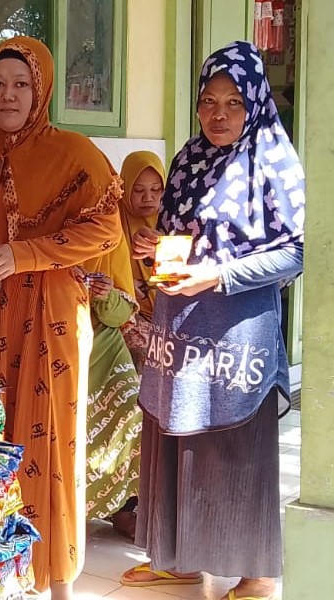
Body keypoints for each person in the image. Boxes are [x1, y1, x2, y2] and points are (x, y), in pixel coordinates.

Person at [119, 41, 304, 600]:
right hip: (180, 330)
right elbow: (185, 237)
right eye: (208, 101)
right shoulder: (188, 159)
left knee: (233, 449)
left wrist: (219, 275)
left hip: (236, 335)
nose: (217, 114)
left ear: (255, 104)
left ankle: (257, 575)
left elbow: (296, 252)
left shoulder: (273, 162)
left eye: (233, 103)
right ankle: (179, 559)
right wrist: (156, 246)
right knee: (177, 441)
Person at [0, 36, 123, 599]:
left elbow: (106, 229)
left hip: (52, 314)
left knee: (51, 441)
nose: (8, 96)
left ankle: (56, 580)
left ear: (42, 91)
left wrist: (25, 253)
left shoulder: (74, 154)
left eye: (21, 84)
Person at [81, 239, 142, 541]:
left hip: (105, 350)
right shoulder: (39, 234)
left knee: (133, 408)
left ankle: (126, 507)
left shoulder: (108, 238)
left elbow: (121, 316)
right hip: (53, 345)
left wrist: (106, 296)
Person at [118, 151, 166, 370]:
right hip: (129, 312)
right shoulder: (112, 221)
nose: (148, 197)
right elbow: (100, 267)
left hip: (169, 309)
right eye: (138, 190)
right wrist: (125, 286)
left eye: (156, 190)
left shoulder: (173, 218)